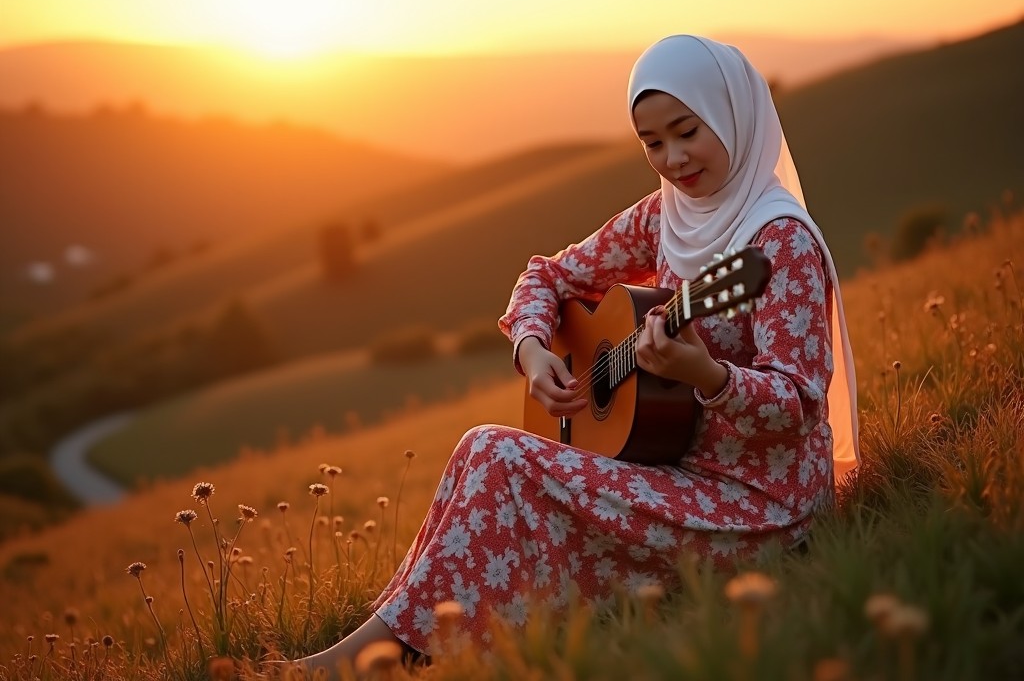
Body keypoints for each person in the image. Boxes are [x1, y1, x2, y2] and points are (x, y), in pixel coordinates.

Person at [282, 35, 860, 677]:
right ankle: (396, 635)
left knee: (500, 456)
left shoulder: (782, 245)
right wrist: (533, 352)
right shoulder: (665, 217)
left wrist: (705, 375)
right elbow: (546, 277)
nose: (672, 158)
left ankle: (368, 658)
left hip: (761, 507)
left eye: (687, 131)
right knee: (483, 447)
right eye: (652, 142)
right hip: (674, 470)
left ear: (732, 114)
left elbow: (799, 408)